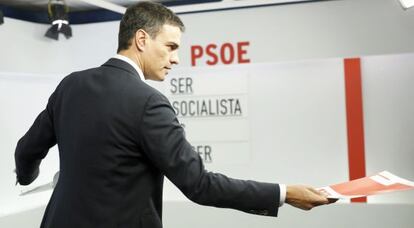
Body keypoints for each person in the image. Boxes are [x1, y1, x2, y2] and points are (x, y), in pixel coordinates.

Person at [14, 2, 332, 228]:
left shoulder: (72, 85)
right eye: (170, 47)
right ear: (141, 39)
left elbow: (26, 150)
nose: (176, 58)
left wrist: (29, 176)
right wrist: (285, 193)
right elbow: (200, 186)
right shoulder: (149, 102)